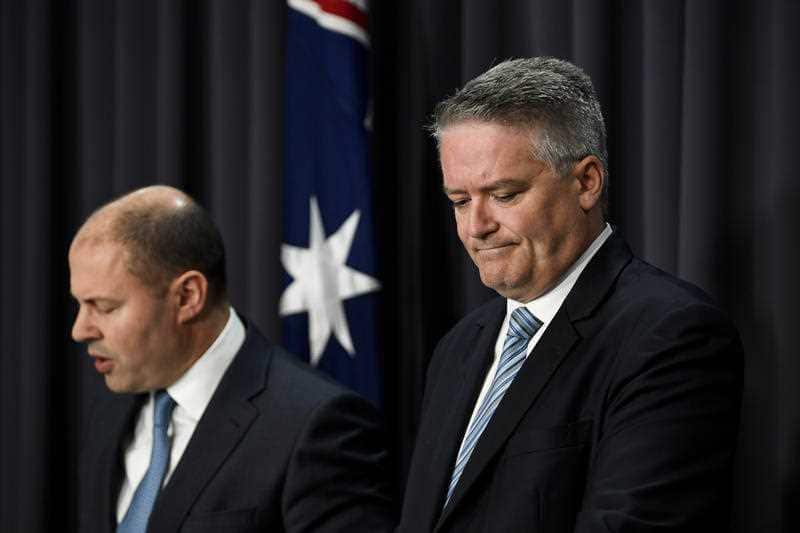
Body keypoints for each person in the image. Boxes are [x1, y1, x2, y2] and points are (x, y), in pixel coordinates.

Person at [398, 57, 743, 532]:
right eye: (459, 201)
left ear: (586, 182)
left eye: (504, 194)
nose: (476, 226)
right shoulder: (459, 346)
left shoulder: (669, 335)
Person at [71, 185, 394, 532]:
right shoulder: (111, 407)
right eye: (79, 304)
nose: (80, 330)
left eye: (104, 307)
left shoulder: (318, 427)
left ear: (187, 297)